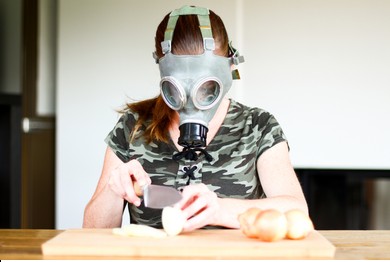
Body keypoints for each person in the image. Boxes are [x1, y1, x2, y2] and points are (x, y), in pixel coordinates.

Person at [83, 5, 308, 231]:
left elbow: (297, 213)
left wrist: (220, 210)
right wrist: (114, 188)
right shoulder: (134, 126)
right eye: (179, 87)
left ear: (231, 67)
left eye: (207, 87)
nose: (193, 99)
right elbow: (92, 233)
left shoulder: (258, 127)